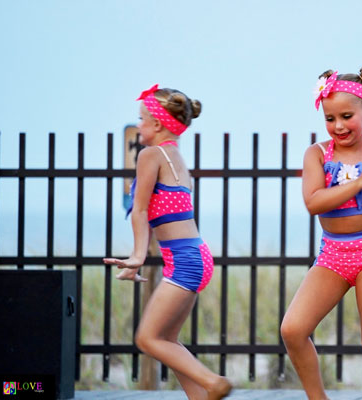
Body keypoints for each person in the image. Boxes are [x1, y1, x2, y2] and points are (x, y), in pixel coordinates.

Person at [280, 67, 362, 399]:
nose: (338, 126)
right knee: (293, 329)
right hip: (333, 253)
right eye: (330, 118)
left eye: (347, 116)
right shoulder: (318, 154)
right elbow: (314, 202)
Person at [103, 84, 232, 400]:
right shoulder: (174, 155)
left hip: (186, 260)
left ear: (158, 124)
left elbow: (141, 210)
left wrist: (136, 256)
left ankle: (213, 382)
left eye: (142, 119)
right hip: (195, 256)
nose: (138, 126)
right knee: (168, 340)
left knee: (148, 338)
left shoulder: (150, 155)